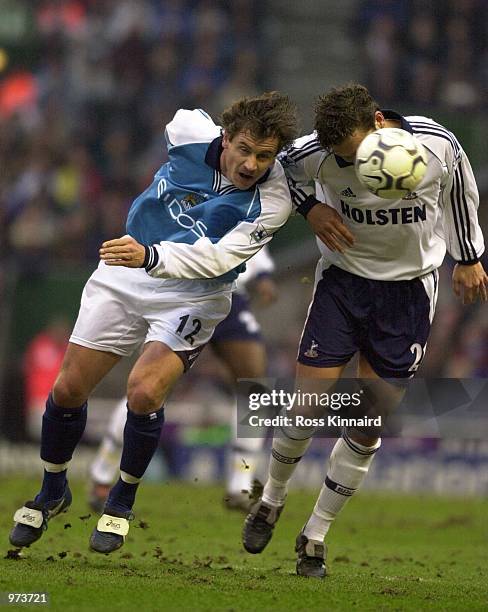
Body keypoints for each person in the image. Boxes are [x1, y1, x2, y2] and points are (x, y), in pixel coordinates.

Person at [9, 91, 298, 554]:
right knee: (66, 391)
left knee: (145, 391)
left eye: (264, 156)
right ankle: (52, 489)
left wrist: (151, 254)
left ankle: (122, 500)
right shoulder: (188, 132)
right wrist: (142, 251)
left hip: (194, 294)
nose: (250, 164)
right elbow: (182, 117)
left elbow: (218, 257)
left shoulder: (273, 200)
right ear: (225, 138)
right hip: (124, 273)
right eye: (244, 149)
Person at [242, 83, 487, 578]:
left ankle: (314, 535)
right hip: (344, 284)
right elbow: (277, 172)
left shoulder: (436, 144)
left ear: (378, 123)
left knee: (367, 420)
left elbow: (460, 188)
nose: (349, 163)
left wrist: (469, 257)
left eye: (354, 154)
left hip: (408, 293)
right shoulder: (314, 154)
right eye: (341, 158)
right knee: (308, 403)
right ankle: (270, 499)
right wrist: (312, 207)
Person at [87, 246, 277, 513]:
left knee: (256, 388)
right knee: (149, 388)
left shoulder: (251, 204)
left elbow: (251, 232)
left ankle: (240, 485)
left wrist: (261, 276)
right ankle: (103, 474)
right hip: (184, 292)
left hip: (231, 293)